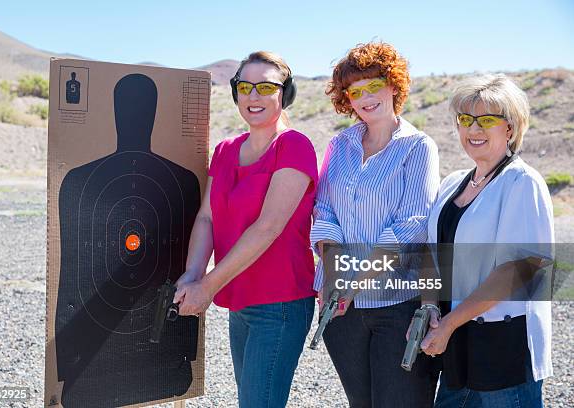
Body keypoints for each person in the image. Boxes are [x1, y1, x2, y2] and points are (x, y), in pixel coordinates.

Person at [173, 51, 318, 408]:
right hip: (240, 297)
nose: (254, 96)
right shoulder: (224, 150)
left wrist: (206, 286)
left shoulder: (294, 146)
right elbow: (207, 217)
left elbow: (267, 228)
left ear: (285, 93)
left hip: (280, 302)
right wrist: (192, 274)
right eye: (245, 87)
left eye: (266, 86)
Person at [310, 41, 440, 407]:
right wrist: (337, 276)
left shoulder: (418, 147)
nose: (365, 97)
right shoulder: (340, 145)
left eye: (373, 85)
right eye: (355, 90)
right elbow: (325, 211)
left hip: (397, 303)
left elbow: (411, 225)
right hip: (340, 309)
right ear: (345, 98)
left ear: (393, 86)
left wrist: (357, 281)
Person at [421, 73, 554, 408]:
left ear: (509, 128)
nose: (474, 129)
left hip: (503, 349)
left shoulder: (521, 182)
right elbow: (433, 256)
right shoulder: (453, 182)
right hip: (457, 347)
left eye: (487, 120)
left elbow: (518, 271)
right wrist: (428, 309)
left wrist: (448, 324)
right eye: (466, 119)